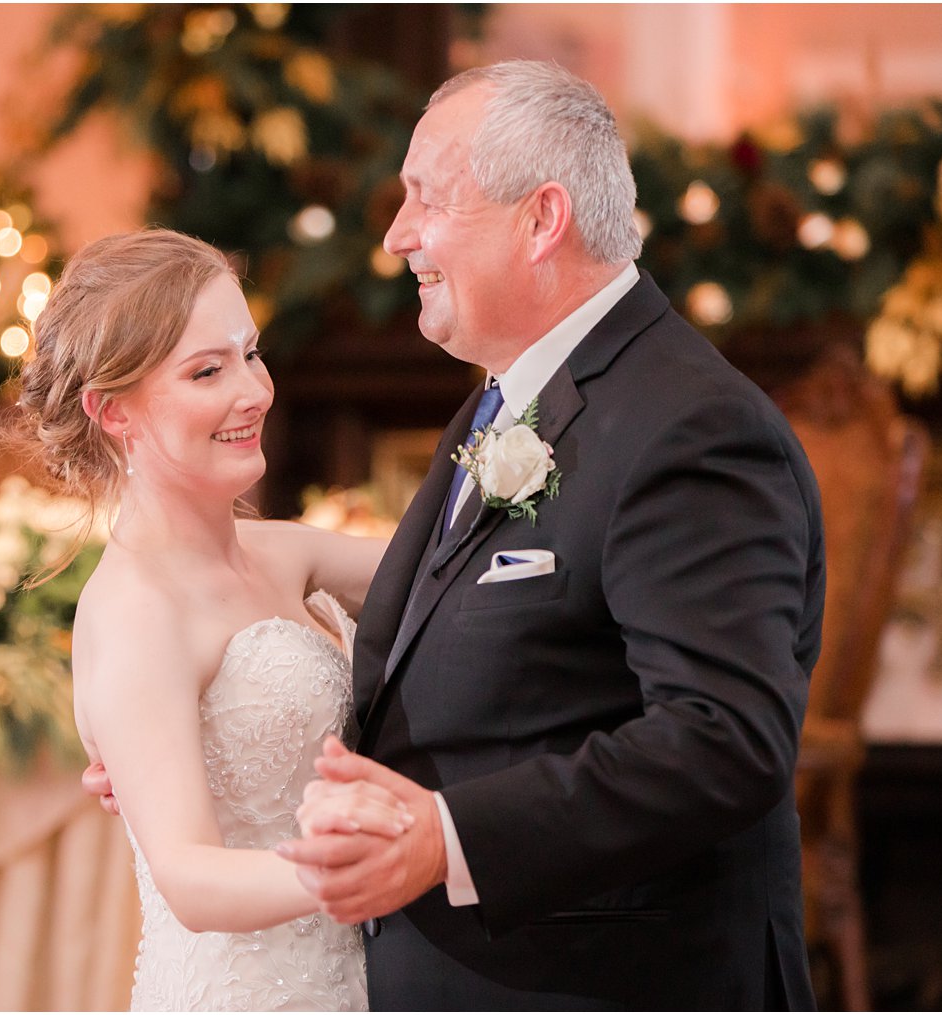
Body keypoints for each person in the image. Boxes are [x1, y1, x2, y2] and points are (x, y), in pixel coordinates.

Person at [274, 60, 825, 1010]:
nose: (397, 235)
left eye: (426, 199)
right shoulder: (505, 400)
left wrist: (449, 838)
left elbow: (724, 739)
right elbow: (452, 664)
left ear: (541, 219)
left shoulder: (688, 427)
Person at [15, 229, 407, 1011]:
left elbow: (453, 583)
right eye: (208, 370)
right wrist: (379, 857)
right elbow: (189, 873)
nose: (254, 390)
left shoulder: (286, 553)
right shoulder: (134, 609)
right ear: (111, 411)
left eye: (251, 353)